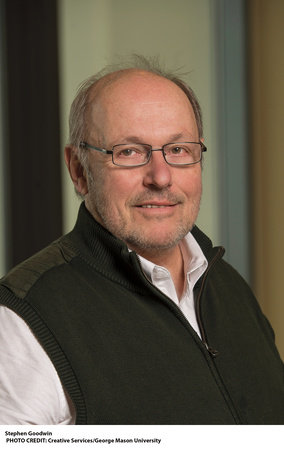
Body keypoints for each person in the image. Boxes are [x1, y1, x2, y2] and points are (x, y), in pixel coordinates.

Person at [0, 56, 283, 425]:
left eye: (179, 149)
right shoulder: (23, 318)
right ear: (78, 170)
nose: (161, 177)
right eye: (129, 152)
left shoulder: (229, 287)